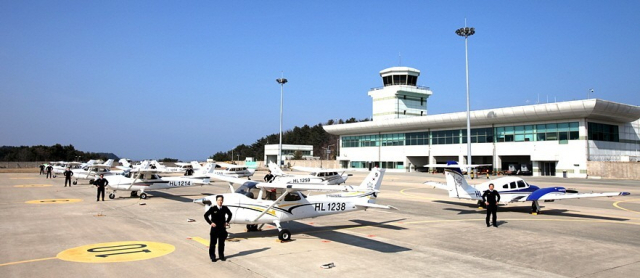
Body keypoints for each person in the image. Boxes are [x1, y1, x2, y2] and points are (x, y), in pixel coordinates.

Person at [204, 195, 232, 262]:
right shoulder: (213, 208)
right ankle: (212, 256)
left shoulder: (225, 208)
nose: (220, 201)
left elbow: (230, 214)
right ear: (216, 201)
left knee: (221, 243)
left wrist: (227, 222)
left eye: (221, 200)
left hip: (222, 228)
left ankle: (221, 256)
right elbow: (206, 215)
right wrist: (210, 223)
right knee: (213, 243)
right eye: (219, 200)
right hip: (215, 229)